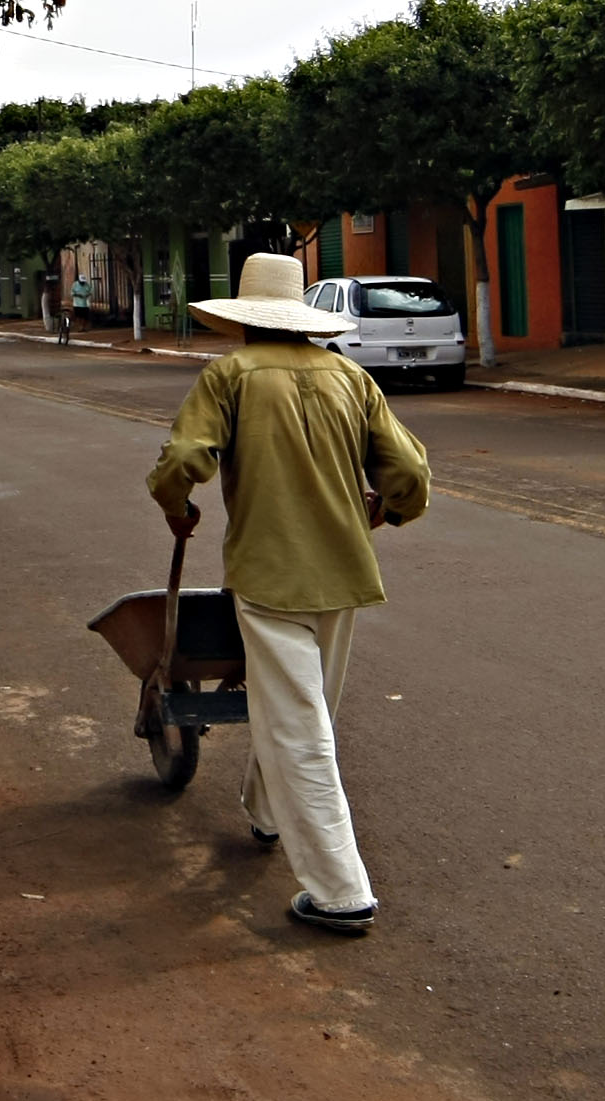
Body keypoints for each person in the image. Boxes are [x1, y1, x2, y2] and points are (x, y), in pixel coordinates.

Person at [147, 251, 435, 937]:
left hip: (270, 579)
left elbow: (183, 463)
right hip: (342, 575)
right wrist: (389, 512)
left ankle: (340, 892)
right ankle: (268, 812)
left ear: (246, 320)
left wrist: (175, 507)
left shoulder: (231, 376)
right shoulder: (350, 377)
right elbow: (410, 474)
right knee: (307, 714)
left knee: (299, 726)